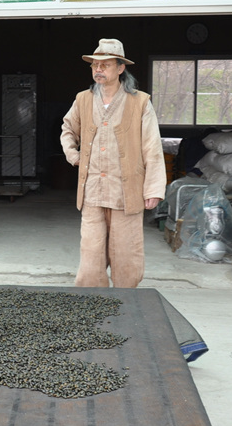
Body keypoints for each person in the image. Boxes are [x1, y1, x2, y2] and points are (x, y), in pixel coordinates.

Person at [59, 38, 166, 288]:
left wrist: (153, 189)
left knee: (126, 256)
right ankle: (93, 302)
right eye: (95, 65)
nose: (98, 69)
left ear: (120, 68)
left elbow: (152, 147)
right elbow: (68, 129)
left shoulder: (140, 102)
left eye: (105, 65)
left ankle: (125, 301)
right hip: (93, 192)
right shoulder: (83, 99)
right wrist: (73, 155)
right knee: (91, 257)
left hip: (125, 193)